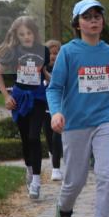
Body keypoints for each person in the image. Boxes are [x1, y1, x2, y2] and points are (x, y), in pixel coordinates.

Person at [47, 0, 109, 217]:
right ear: (77, 23)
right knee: (76, 180)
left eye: (97, 16)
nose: (93, 21)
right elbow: (55, 88)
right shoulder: (69, 52)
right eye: (87, 17)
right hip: (74, 124)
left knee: (107, 176)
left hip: (104, 121)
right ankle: (64, 208)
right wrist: (56, 113)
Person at [0, 16, 51, 200]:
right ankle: (29, 170)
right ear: (17, 36)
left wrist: (54, 82)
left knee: (35, 137)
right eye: (22, 34)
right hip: (19, 99)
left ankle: (36, 181)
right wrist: (6, 96)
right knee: (26, 139)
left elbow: (42, 71)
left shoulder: (43, 51)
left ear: (35, 33)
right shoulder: (13, 52)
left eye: (29, 33)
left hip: (38, 98)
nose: (26, 37)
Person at [43, 39, 63, 181]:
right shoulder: (40, 69)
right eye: (50, 53)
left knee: (57, 138)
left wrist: (44, 73)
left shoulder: (61, 70)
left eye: (56, 53)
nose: (53, 56)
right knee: (49, 139)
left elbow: (54, 83)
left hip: (58, 110)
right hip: (44, 109)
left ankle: (56, 169)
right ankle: (53, 154)